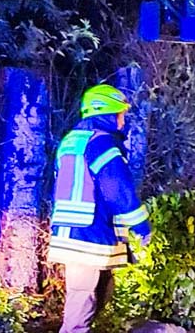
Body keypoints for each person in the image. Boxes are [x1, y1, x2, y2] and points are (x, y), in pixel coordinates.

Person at [48, 85, 152, 333]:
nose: (122, 120)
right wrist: (141, 226)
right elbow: (118, 190)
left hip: (70, 232)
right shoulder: (102, 143)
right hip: (89, 234)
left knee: (86, 297)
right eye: (120, 114)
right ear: (106, 114)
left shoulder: (70, 141)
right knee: (81, 304)